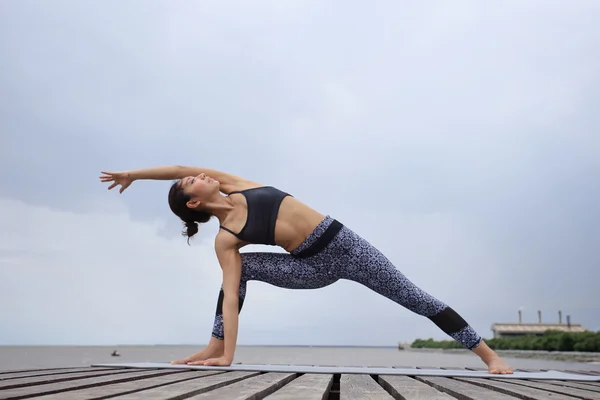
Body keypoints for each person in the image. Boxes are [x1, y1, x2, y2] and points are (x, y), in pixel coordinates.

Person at [99, 165, 514, 374]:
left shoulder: (235, 183)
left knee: (416, 298)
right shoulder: (226, 238)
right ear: (194, 203)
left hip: (347, 247)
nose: (200, 174)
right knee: (238, 274)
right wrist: (228, 354)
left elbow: (174, 168)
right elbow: (229, 297)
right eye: (193, 180)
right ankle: (214, 349)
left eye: (196, 175)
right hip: (308, 268)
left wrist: (134, 175)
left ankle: (489, 356)